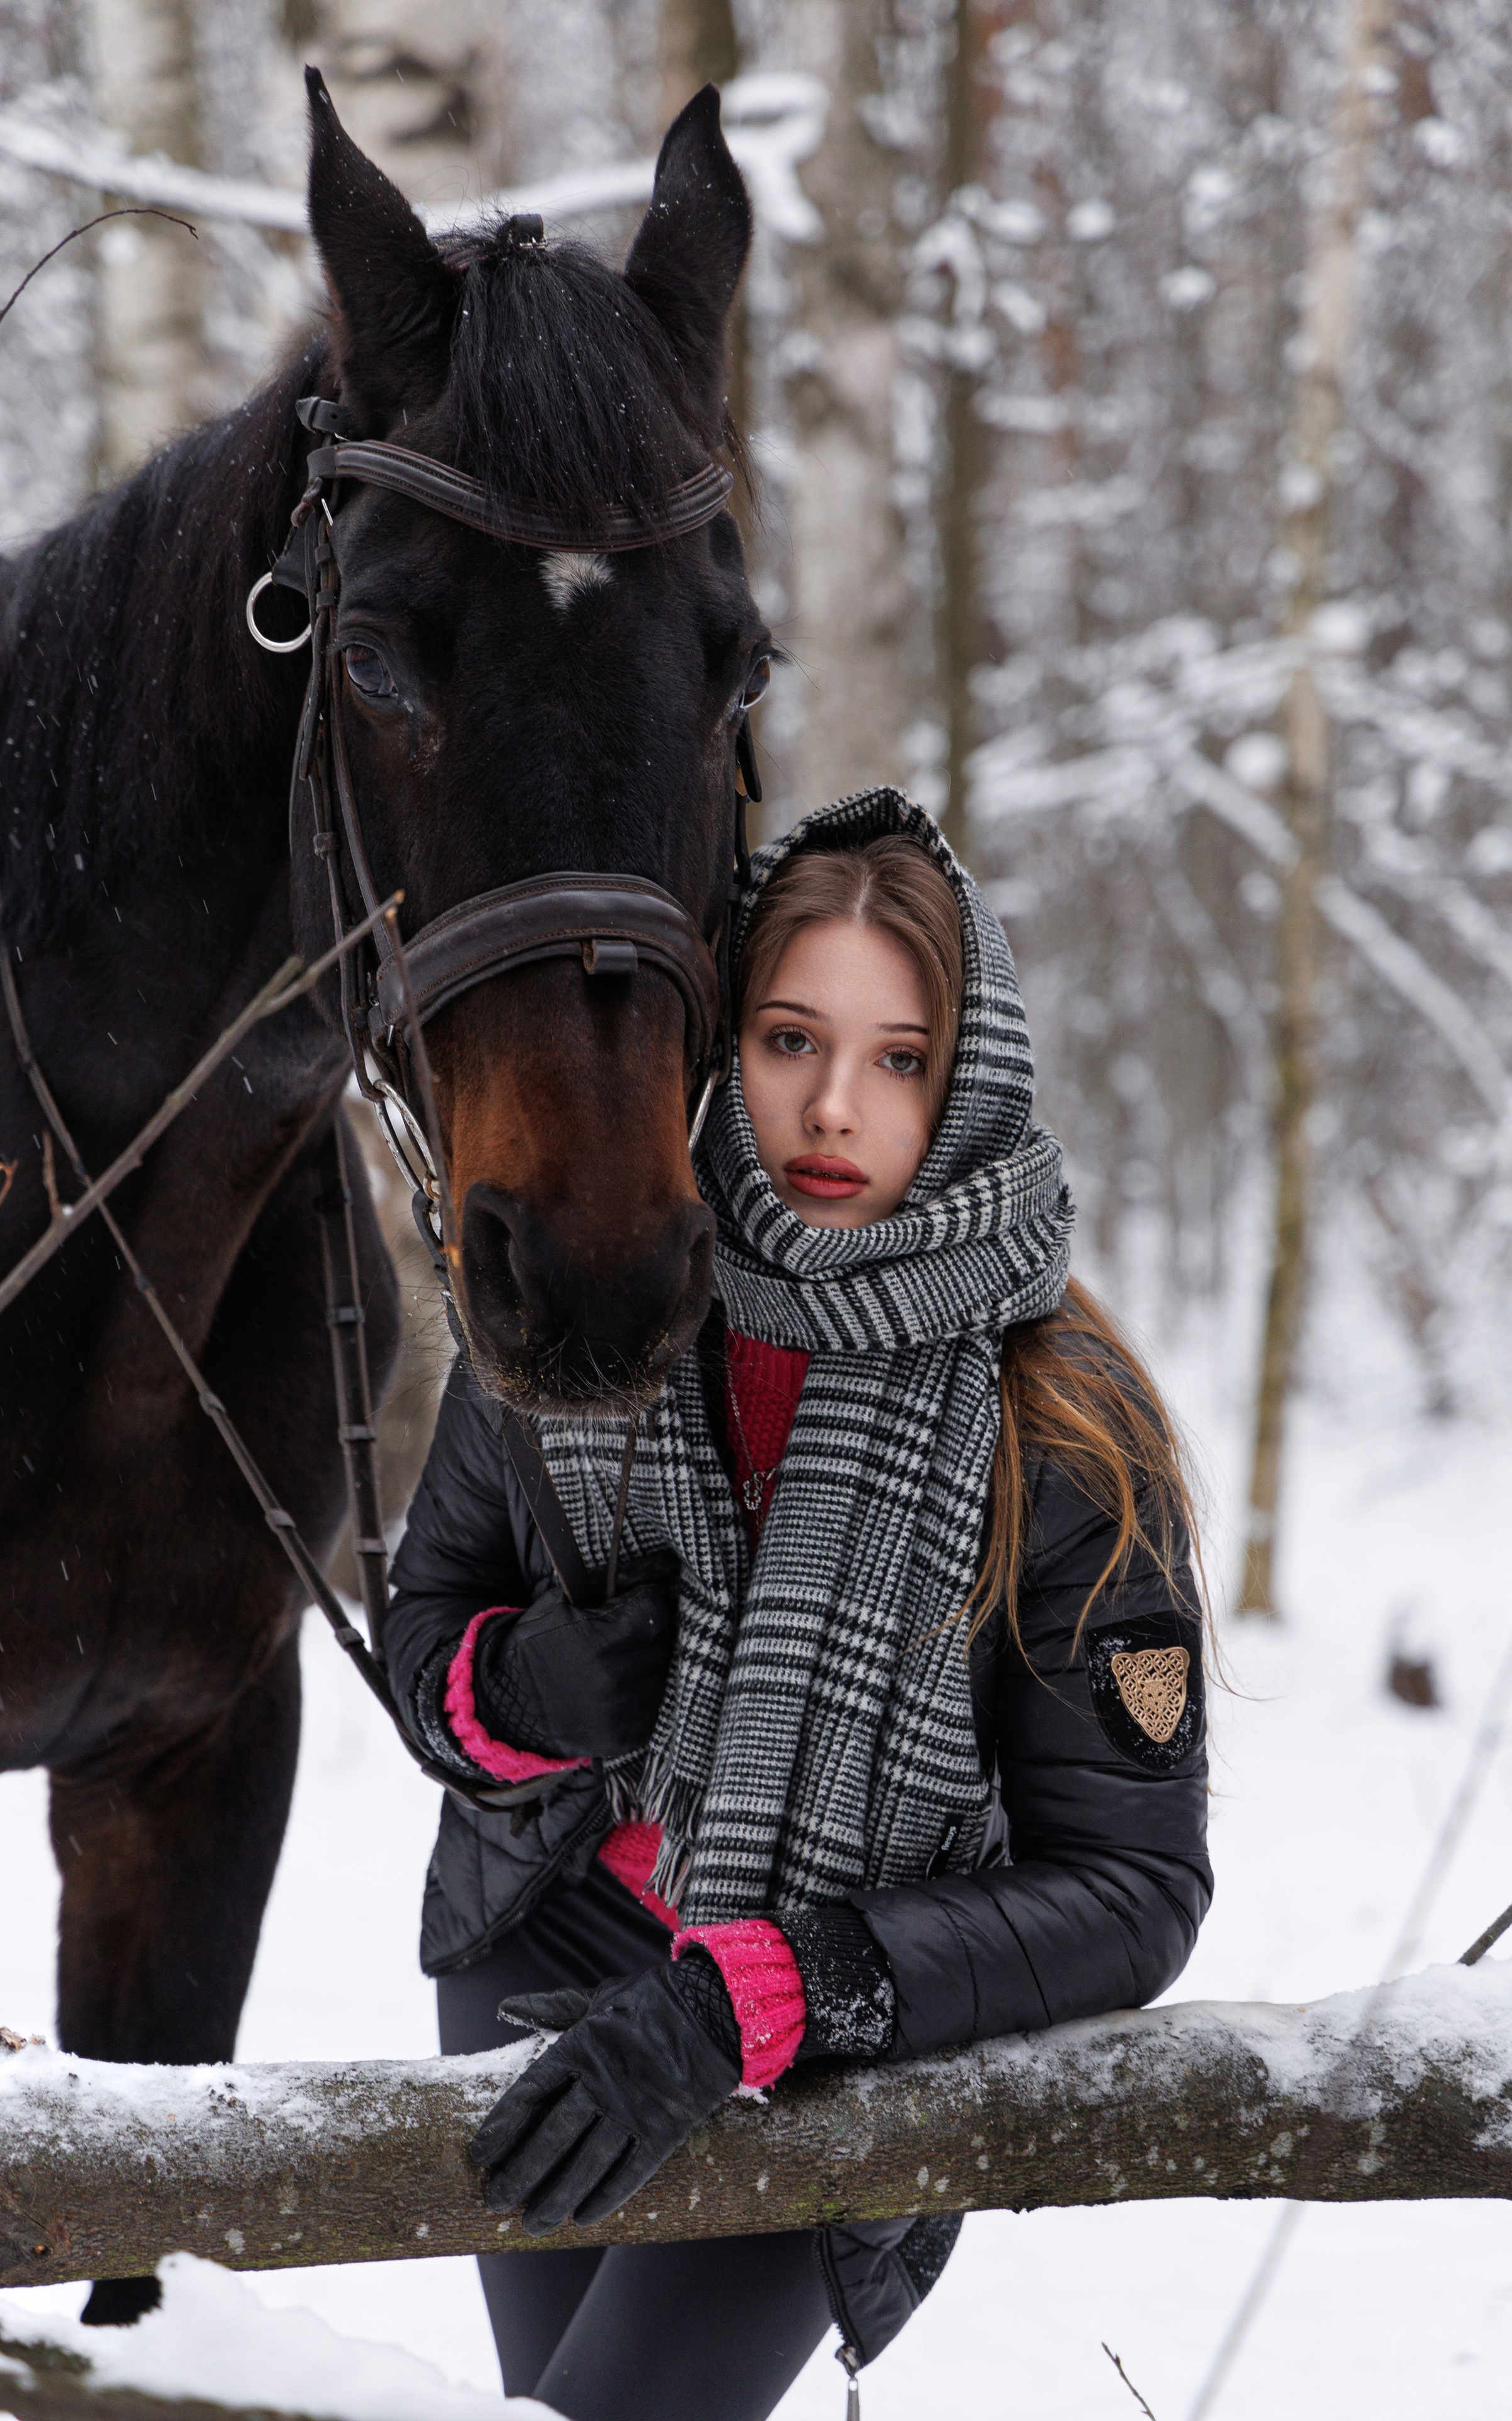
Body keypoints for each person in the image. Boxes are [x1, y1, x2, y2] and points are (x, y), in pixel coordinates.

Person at [384, 789, 1211, 2421]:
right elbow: (426, 1631)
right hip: (537, 1938)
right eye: (787, 1039)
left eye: (899, 1058)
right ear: (717, 1049)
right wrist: (520, 1695)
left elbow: (1133, 1887)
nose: (835, 1106)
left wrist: (764, 1990)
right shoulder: (593, 1297)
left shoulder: (1061, 1420)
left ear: (965, 1073)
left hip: (824, 2027)